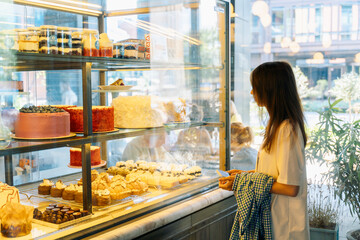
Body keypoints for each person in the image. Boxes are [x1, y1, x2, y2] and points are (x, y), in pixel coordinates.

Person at [219, 61, 309, 239]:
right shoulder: (278, 125)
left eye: (255, 87)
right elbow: (275, 173)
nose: (252, 93)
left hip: (285, 226)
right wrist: (245, 175)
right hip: (275, 219)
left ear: (270, 90)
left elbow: (291, 187)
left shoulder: (287, 129)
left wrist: (244, 182)